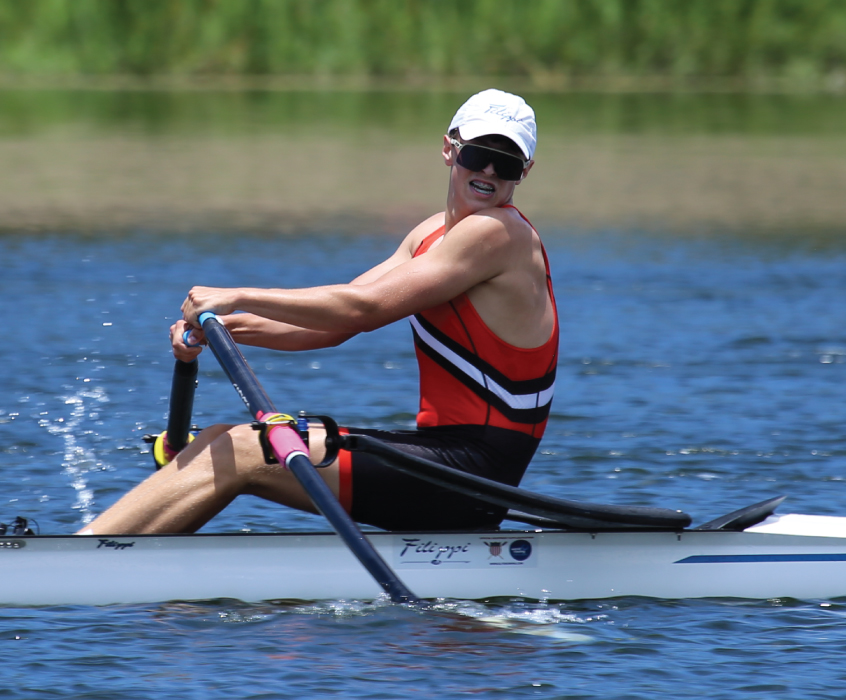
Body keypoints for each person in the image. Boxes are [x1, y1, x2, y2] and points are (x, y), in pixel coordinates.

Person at [79, 89, 555, 535]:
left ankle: (78, 559)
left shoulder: (498, 234)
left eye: (507, 162)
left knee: (243, 450)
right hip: (442, 459)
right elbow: (333, 324)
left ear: (526, 172)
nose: (490, 170)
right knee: (225, 440)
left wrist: (238, 295)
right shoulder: (430, 235)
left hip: (470, 473)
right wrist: (222, 329)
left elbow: (363, 308)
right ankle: (118, 557)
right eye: (478, 154)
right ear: (450, 149)